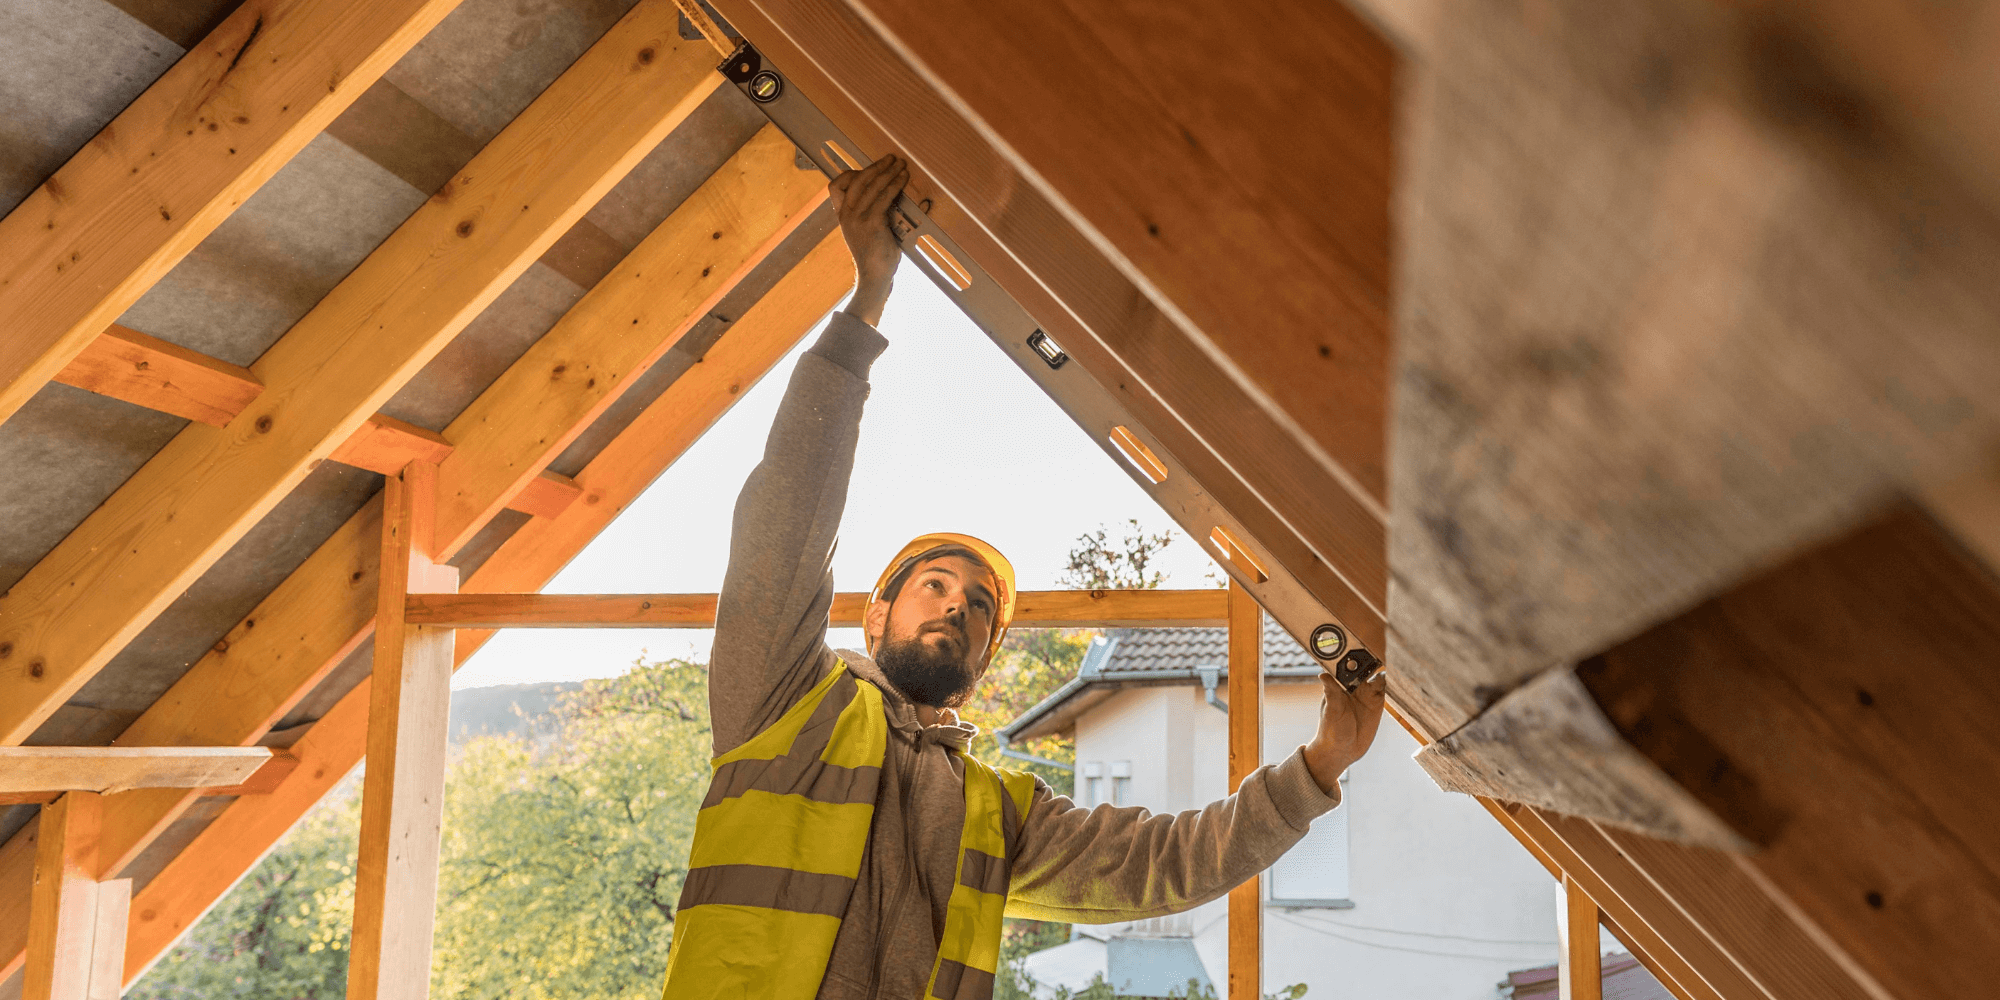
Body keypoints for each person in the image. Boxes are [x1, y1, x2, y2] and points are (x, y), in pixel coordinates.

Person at [658, 154, 1389, 1000]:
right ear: (873, 616)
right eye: (933, 585)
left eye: (977, 606)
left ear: (985, 660)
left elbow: (1164, 863)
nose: (956, 607)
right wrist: (865, 306)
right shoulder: (785, 703)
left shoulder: (995, 811)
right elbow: (784, 522)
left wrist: (1322, 764)